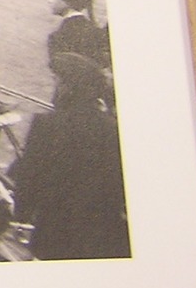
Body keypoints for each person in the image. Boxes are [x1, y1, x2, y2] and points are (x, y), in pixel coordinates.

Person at [11, 51, 128, 260]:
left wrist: (18, 214)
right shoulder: (113, 129)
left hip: (55, 235)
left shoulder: (47, 125)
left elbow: (28, 179)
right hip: (105, 238)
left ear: (67, 88)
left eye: (57, 82)